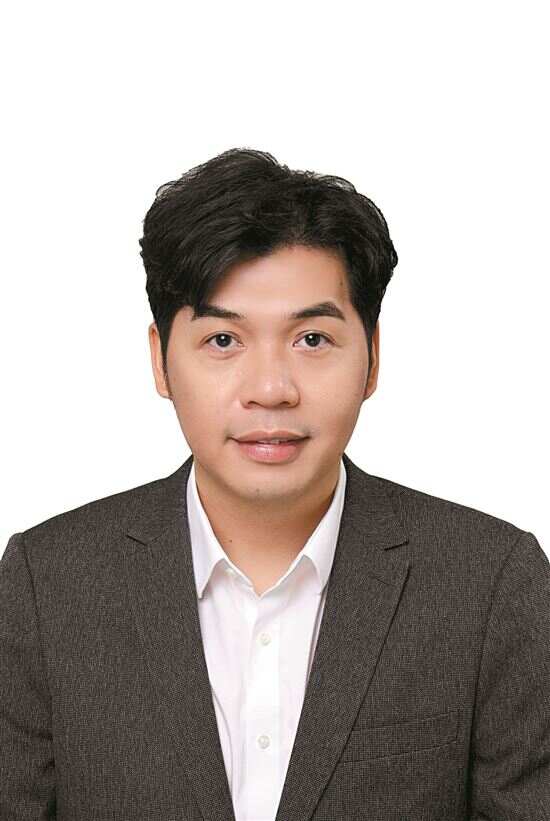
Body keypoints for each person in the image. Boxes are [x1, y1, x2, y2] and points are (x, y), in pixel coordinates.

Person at [1, 148, 548, 821]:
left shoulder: (491, 581)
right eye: (223, 341)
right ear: (160, 361)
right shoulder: (46, 583)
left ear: (373, 358)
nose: (270, 388)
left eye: (312, 339)